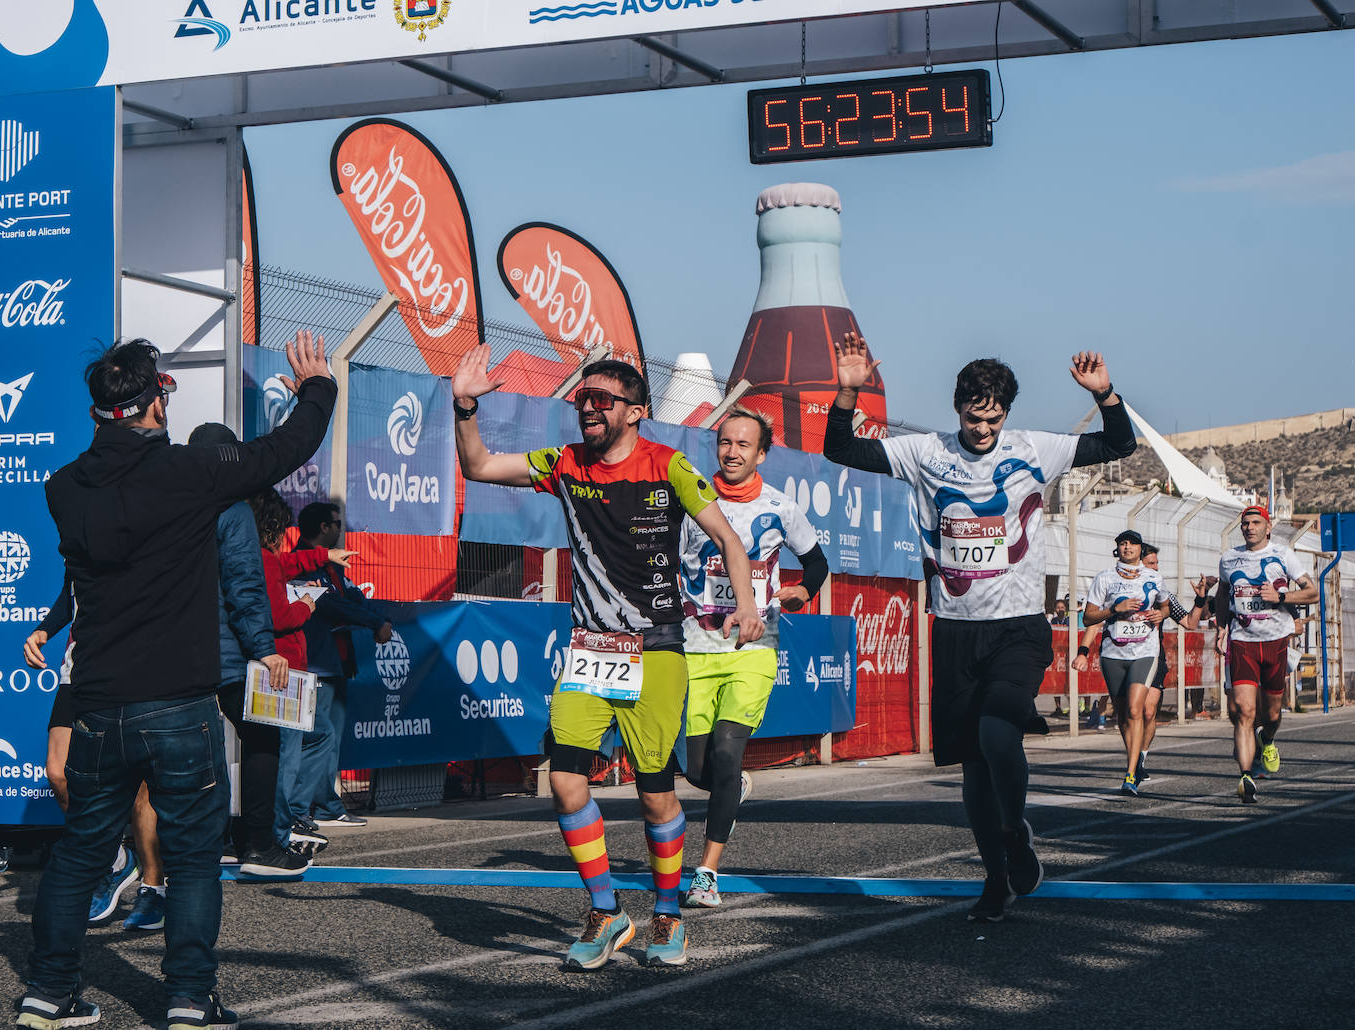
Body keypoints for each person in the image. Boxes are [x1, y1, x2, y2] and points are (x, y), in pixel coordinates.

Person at [16, 331, 336, 1030]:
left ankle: (48, 990)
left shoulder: (62, 489)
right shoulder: (189, 474)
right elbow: (287, 448)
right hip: (178, 706)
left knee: (78, 855)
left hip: (98, 703)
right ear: (155, 403)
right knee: (192, 860)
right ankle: (190, 996)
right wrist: (319, 388)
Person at [452, 344, 763, 969]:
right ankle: (606, 909)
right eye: (581, 399)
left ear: (636, 412)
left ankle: (668, 915)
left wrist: (747, 604)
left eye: (601, 401)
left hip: (656, 651)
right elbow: (480, 466)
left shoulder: (668, 466)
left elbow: (728, 538)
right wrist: (464, 406)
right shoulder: (563, 463)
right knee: (565, 779)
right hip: (589, 651)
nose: (587, 409)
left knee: (653, 794)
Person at [824, 334, 1136, 923]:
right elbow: (839, 449)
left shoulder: (1034, 449)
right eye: (974, 415)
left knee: (999, 737)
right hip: (956, 626)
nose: (983, 428)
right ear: (958, 406)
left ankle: (1015, 833)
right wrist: (847, 391)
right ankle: (996, 878)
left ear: (1007, 414)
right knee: (972, 765)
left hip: (1017, 625)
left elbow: (1121, 444)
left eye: (994, 418)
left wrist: (1106, 395)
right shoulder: (926, 452)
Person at [677, 407, 829, 909]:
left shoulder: (781, 507)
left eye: (744, 445)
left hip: (753, 647)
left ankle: (706, 872)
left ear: (762, 454)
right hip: (695, 646)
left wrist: (800, 594)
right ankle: (733, 786)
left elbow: (816, 562)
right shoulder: (690, 500)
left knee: (725, 752)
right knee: (698, 768)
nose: (732, 452)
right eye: (725, 442)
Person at [186, 422, 304, 880]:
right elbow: (244, 586)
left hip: (176, 651)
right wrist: (264, 648)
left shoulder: (171, 504)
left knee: (187, 750)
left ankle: (192, 847)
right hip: (231, 653)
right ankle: (257, 843)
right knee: (262, 736)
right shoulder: (232, 507)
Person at [24, 579, 167, 932]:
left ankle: (153, 888)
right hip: (78, 669)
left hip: (137, 667)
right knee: (57, 772)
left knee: (141, 786)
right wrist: (43, 631)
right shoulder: (81, 533)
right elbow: (69, 593)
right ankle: (114, 856)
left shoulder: (148, 531)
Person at [248, 490, 355, 857]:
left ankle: (283, 820)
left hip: (284, 670)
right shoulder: (265, 559)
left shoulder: (262, 559)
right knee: (286, 752)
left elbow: (288, 567)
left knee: (299, 742)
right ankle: (282, 826)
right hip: (283, 672)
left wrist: (325, 555)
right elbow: (280, 618)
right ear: (275, 528)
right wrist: (307, 605)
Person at [281, 501, 392, 834]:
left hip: (337, 662)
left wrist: (375, 618)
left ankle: (325, 805)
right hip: (312, 664)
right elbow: (331, 605)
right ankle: (299, 809)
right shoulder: (301, 564)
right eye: (336, 522)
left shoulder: (333, 565)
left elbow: (352, 596)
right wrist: (374, 622)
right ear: (323, 527)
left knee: (329, 737)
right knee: (312, 737)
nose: (340, 527)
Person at [1080, 532, 1206, 796]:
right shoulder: (1105, 578)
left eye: (1132, 544)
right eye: (1122, 544)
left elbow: (1182, 618)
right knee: (1125, 714)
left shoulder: (1156, 581)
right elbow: (1091, 618)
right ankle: (1136, 758)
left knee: (1143, 710)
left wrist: (1178, 608)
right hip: (1114, 652)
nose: (1155, 566)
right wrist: (1084, 648)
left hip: (1148, 652)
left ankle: (1133, 768)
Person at [1214, 505, 1317, 803]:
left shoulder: (1283, 555)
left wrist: (1281, 596)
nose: (1249, 528)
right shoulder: (1229, 558)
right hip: (1242, 643)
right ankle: (1246, 777)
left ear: (1267, 527)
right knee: (1244, 712)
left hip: (1275, 642)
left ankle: (1267, 738)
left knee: (1271, 714)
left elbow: (1311, 592)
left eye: (1256, 523)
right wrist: (1221, 628)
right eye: (1245, 523)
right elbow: (1222, 595)